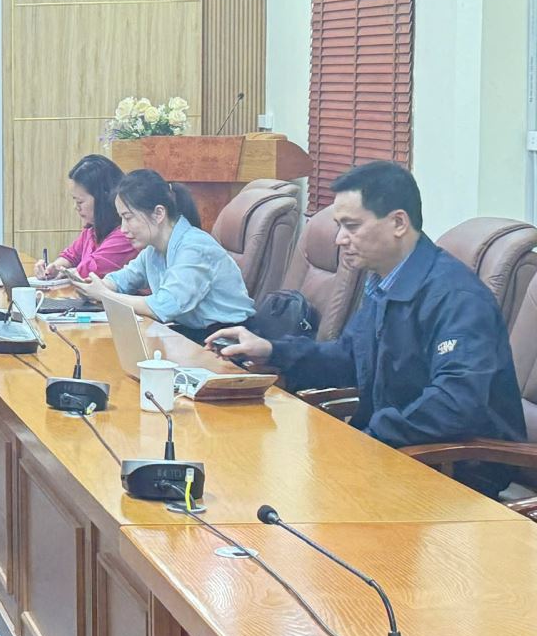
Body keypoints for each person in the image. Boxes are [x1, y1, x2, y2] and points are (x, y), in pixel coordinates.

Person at [207, 162, 524, 486]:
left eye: (352, 226)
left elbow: (455, 403)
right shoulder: (385, 281)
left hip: (451, 470)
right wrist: (272, 350)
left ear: (398, 223)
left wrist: (370, 437)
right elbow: (349, 357)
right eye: (339, 227)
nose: (340, 239)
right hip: (394, 451)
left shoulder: (457, 297)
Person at [71, 168, 254, 342]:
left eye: (128, 217)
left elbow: (163, 307)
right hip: (191, 334)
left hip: (226, 340)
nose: (123, 229)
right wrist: (95, 286)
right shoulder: (153, 249)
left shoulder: (195, 247)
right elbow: (124, 279)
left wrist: (104, 295)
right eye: (121, 219)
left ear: (158, 213)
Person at [35, 154, 138, 279]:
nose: (76, 207)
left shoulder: (126, 234)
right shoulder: (92, 230)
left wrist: (62, 271)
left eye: (80, 201)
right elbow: (70, 256)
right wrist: (53, 267)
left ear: (103, 199)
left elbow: (91, 270)